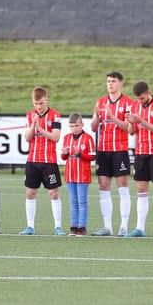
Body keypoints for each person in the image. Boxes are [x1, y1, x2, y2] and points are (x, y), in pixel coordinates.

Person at [90, 71, 134, 236]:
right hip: (103, 150)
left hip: (119, 150)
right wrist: (96, 116)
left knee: (122, 187)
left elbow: (130, 129)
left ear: (120, 83)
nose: (110, 84)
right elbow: (94, 127)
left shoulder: (128, 103)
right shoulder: (100, 102)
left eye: (113, 81)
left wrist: (113, 117)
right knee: (103, 187)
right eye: (108, 81)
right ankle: (107, 226)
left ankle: (124, 226)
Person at [125, 81, 153, 238]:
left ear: (149, 92)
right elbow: (131, 131)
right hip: (141, 153)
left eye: (142, 99)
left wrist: (141, 121)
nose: (140, 101)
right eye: (138, 99)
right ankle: (140, 228)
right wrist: (131, 123)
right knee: (141, 190)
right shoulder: (134, 106)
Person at [20, 86, 65, 235]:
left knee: (53, 193)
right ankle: (30, 226)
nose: (38, 107)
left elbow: (56, 137)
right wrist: (34, 125)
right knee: (30, 193)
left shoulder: (55, 116)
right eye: (35, 104)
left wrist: (41, 128)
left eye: (41, 103)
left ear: (46, 100)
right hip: (33, 160)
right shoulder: (30, 116)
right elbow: (27, 137)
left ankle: (58, 226)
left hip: (49, 161)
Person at [61, 113, 95, 236]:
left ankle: (82, 227)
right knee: (73, 201)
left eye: (76, 125)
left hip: (83, 174)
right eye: (71, 126)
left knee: (82, 201)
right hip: (70, 174)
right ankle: (73, 226)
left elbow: (92, 156)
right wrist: (64, 153)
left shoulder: (88, 138)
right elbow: (64, 157)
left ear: (82, 125)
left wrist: (80, 153)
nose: (74, 128)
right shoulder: (66, 138)